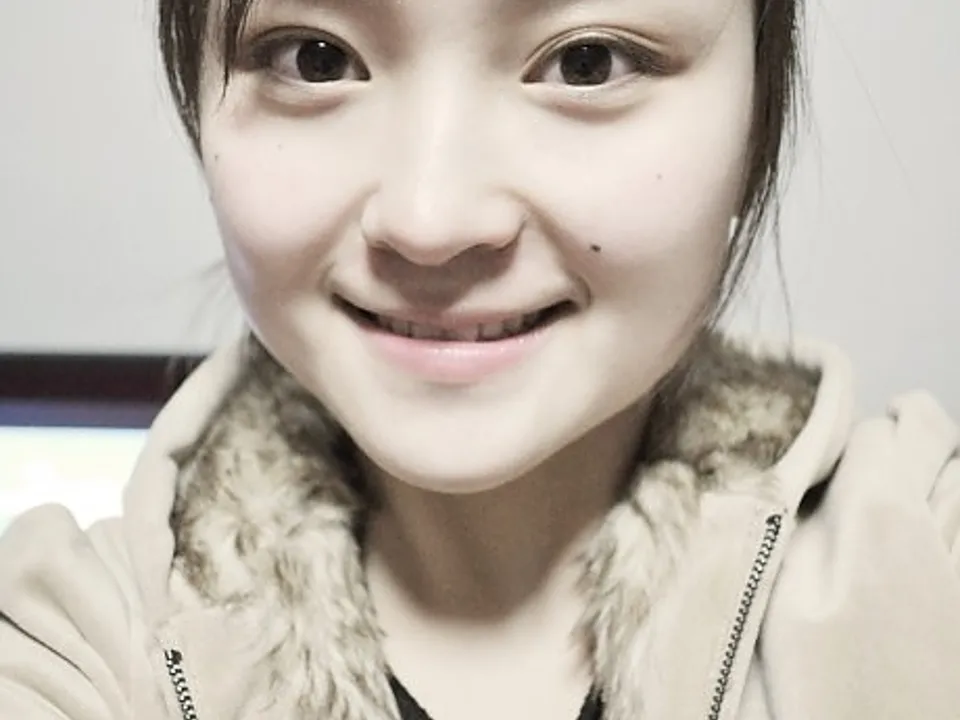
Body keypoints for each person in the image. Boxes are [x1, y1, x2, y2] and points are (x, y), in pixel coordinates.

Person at [1, 0, 958, 718]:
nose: (431, 219)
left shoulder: (925, 567)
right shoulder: (72, 643)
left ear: (756, 115)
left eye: (587, 62)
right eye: (314, 57)